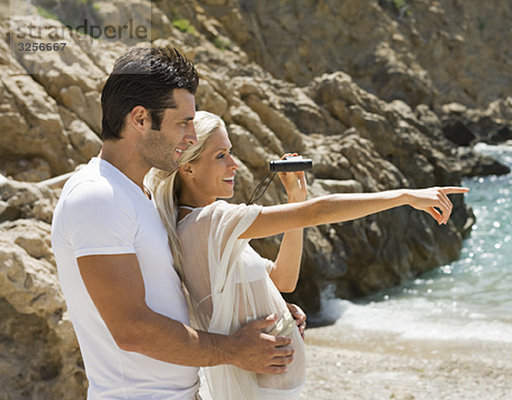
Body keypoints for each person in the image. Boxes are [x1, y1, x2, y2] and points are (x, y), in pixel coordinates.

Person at [147, 111, 470, 400]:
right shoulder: (211, 221)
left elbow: (283, 280)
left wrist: (295, 197)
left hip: (264, 386)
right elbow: (317, 212)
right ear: (187, 166)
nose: (234, 164)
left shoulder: (200, 225)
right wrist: (403, 196)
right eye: (221, 155)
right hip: (255, 389)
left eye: (230, 152)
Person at [51, 47, 300, 400]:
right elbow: (132, 329)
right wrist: (234, 349)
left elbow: (179, 295)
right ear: (140, 119)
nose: (192, 137)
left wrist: (266, 307)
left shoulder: (141, 195)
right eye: (182, 122)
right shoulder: (98, 197)